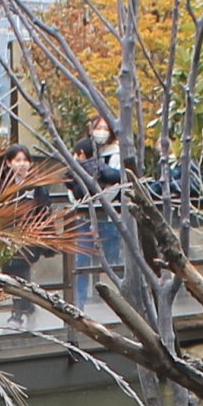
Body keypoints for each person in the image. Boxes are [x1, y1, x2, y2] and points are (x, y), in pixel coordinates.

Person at [74, 115, 127, 307]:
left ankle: (124, 302)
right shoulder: (81, 151)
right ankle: (79, 303)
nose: (102, 132)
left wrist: (101, 200)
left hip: (110, 214)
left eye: (106, 128)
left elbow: (118, 181)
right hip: (84, 215)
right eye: (98, 128)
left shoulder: (116, 153)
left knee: (114, 258)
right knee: (82, 260)